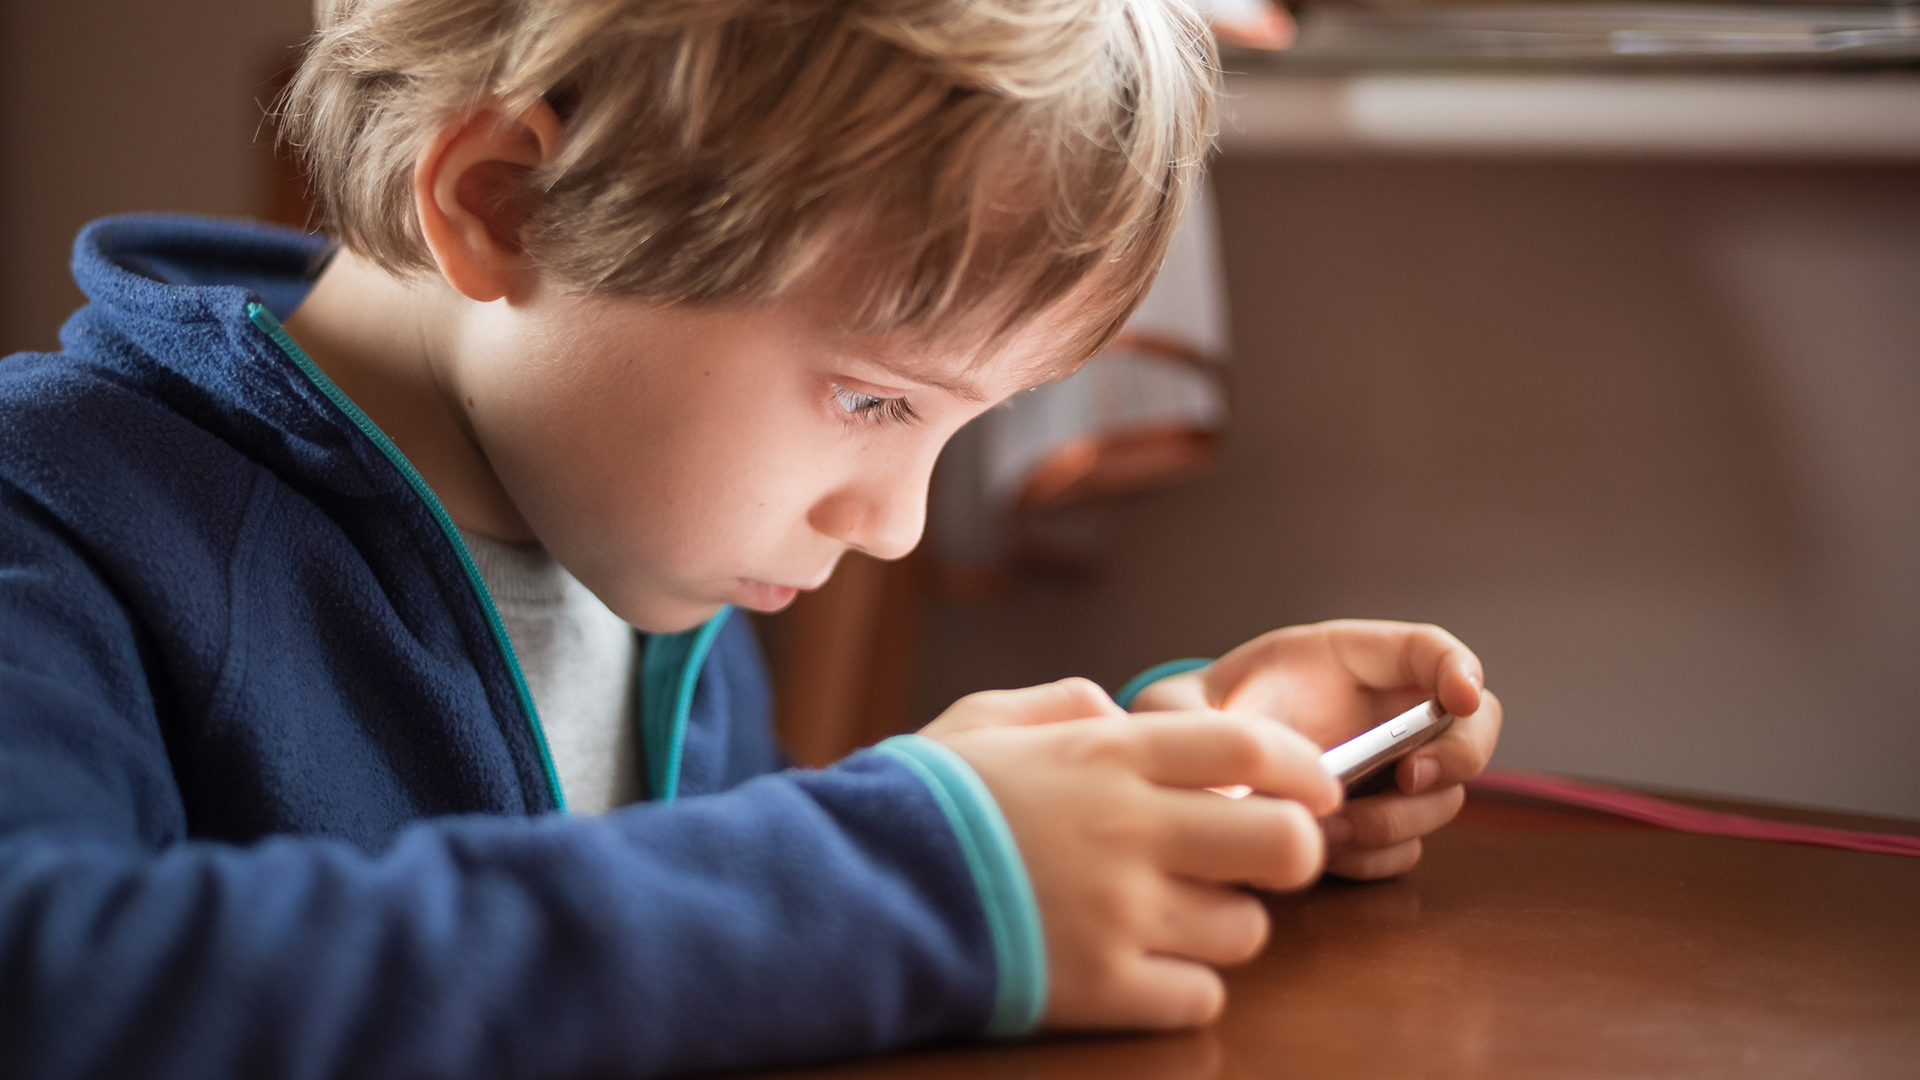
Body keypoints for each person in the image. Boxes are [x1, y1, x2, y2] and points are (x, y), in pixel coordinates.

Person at [0, 0, 1502, 1077]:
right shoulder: (51, 507)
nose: (896, 526)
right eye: (868, 399)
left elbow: (667, 945)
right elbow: (49, 977)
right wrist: (907, 876)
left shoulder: (624, 531)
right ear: (509, 204)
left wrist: (1160, 780)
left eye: (959, 426)